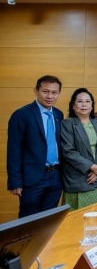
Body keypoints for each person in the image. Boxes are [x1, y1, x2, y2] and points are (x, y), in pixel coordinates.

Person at [6, 75, 65, 217]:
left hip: (56, 176)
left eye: (54, 92)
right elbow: (14, 150)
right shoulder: (21, 114)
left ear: (58, 94)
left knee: (49, 218)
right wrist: (15, 182)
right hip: (32, 177)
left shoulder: (59, 114)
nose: (50, 96)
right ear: (36, 91)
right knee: (29, 219)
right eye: (45, 91)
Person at [59, 88, 97, 210]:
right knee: (75, 218)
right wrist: (92, 167)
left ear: (92, 105)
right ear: (73, 105)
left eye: (88, 101)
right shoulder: (67, 124)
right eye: (80, 101)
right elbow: (68, 151)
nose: (84, 104)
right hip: (77, 180)